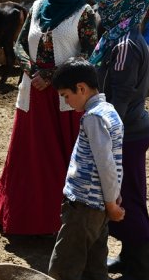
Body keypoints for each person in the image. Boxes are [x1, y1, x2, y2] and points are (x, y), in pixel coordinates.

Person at [0, 0, 97, 235]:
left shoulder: (84, 13)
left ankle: (58, 223)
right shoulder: (36, 7)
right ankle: (14, 214)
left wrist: (55, 75)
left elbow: (90, 52)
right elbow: (20, 44)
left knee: (60, 156)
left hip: (65, 97)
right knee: (27, 155)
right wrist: (32, 70)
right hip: (33, 92)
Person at [90, 0, 149, 280]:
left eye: (105, 6)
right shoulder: (119, 37)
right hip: (130, 130)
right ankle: (130, 256)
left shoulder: (124, 45)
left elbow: (121, 96)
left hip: (126, 133)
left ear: (121, 8)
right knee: (128, 194)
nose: (99, 10)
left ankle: (139, 267)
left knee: (126, 196)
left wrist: (106, 134)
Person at [48, 57, 125, 280]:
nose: (66, 102)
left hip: (84, 206)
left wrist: (111, 203)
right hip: (98, 206)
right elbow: (116, 161)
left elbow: (106, 164)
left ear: (81, 88)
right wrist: (113, 195)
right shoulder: (109, 111)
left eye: (66, 96)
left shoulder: (93, 118)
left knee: (64, 267)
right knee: (95, 266)